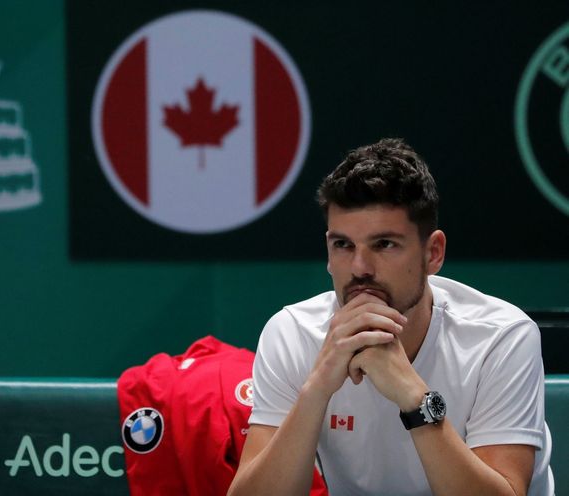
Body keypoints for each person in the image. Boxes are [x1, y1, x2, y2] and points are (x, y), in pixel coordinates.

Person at [228, 138, 553, 496]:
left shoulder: (501, 337)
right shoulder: (292, 334)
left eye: (384, 245)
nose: (360, 268)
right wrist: (317, 387)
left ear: (433, 253)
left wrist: (413, 397)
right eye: (343, 245)